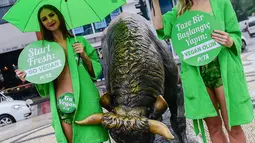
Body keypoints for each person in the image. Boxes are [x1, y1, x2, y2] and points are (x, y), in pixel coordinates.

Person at [151, 0, 254, 143]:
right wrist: (154, 2)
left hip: (221, 69)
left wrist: (229, 40)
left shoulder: (221, 3)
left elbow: (235, 34)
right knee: (214, 128)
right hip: (197, 76)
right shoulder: (180, 10)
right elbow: (159, 26)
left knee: (233, 126)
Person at [15, 5, 109, 143]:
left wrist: (84, 55)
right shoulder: (44, 50)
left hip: (86, 101)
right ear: (42, 24)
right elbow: (42, 81)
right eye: (44, 19)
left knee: (92, 138)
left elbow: (96, 70)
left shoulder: (79, 41)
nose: (49, 20)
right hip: (63, 103)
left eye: (52, 15)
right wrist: (28, 74)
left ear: (59, 16)